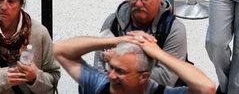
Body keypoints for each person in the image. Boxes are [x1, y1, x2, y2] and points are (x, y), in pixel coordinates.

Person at [93, 0, 188, 86]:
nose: (138, 4)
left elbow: (166, 80)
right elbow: (98, 71)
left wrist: (121, 63)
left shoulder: (174, 30)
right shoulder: (113, 23)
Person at [54, 33, 216, 94]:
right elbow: (60, 49)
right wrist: (121, 40)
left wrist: (157, 53)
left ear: (143, 77)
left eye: (121, 71)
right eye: (111, 66)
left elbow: (206, 88)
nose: (111, 75)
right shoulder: (101, 85)